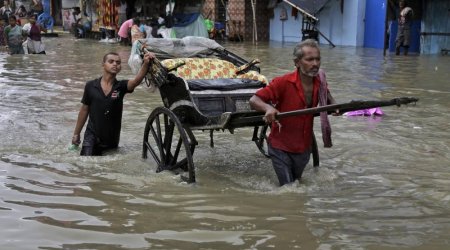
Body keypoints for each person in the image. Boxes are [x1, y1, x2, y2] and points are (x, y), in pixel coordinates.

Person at [249, 39, 336, 186]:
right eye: (309, 59)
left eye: (317, 59)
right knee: (288, 188)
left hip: (303, 148)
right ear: (297, 62)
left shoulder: (320, 82)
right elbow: (254, 100)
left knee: (297, 183)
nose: (315, 64)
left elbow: (329, 100)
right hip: (281, 147)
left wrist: (335, 107)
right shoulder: (283, 82)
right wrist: (268, 108)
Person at [71, 51, 155, 156]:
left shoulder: (121, 86)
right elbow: (84, 110)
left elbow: (136, 81)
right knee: (85, 163)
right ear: (103, 64)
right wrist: (76, 134)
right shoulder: (91, 86)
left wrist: (146, 63)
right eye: (111, 61)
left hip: (111, 138)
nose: (115, 64)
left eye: (118, 62)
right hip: (91, 137)